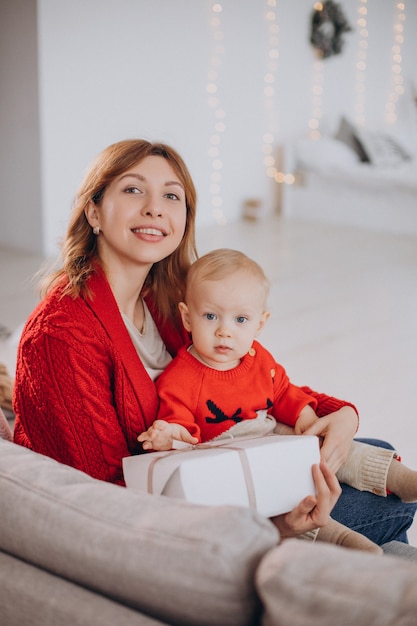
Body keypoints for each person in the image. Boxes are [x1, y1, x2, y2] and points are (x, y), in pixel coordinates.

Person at [12, 139, 416, 548]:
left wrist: (340, 414)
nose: (154, 207)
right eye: (133, 189)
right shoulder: (61, 334)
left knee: (376, 452)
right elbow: (104, 502)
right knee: (390, 505)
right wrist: (274, 527)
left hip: (212, 468)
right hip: (174, 518)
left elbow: (244, 379)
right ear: (94, 210)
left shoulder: (167, 299)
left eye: (172, 195)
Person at [138, 248, 417, 548]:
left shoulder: (258, 358)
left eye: (240, 319)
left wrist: (306, 419)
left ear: (260, 323)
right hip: (226, 454)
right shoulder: (180, 378)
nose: (224, 331)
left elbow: (283, 392)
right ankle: (344, 539)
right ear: (187, 318)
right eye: (210, 316)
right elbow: (181, 429)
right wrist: (171, 433)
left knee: (327, 451)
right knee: (288, 495)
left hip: (268, 431)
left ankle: (401, 478)